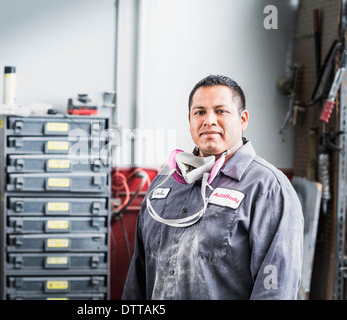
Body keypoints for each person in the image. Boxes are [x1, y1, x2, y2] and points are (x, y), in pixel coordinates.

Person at [122, 74, 304, 300]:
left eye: (221, 111)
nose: (209, 120)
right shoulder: (164, 182)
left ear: (243, 119)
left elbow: (276, 290)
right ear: (189, 120)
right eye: (200, 112)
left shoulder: (267, 189)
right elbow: (137, 277)